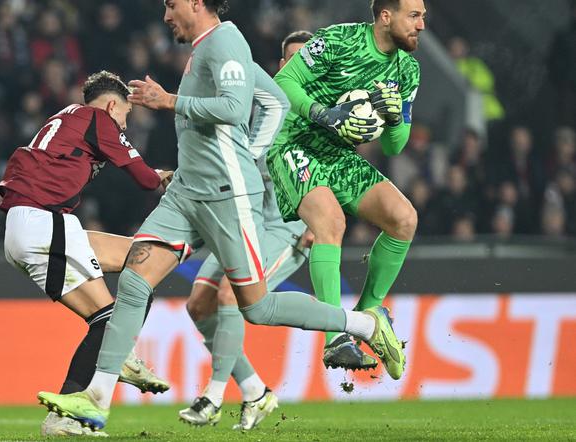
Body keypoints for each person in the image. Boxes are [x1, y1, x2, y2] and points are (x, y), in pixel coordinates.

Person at [38, 0, 406, 432]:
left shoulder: (226, 41)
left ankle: (364, 323)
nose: (165, 15)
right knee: (137, 279)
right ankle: (96, 400)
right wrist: (253, 151)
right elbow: (276, 101)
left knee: (257, 306)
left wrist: (177, 106)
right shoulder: (205, 47)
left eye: (171, 5)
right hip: (186, 193)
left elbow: (235, 107)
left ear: (196, 3)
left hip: (226, 197)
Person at [0, 71, 173, 437]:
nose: (123, 126)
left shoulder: (68, 118)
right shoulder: (97, 118)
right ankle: (66, 413)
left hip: (39, 223)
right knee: (107, 319)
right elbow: (142, 177)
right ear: (112, 105)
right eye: (124, 117)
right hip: (42, 222)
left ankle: (122, 350)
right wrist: (165, 177)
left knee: (142, 257)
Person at [266, 0, 423, 370]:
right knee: (331, 223)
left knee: (404, 219)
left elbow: (394, 145)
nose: (421, 26)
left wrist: (392, 114)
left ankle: (368, 312)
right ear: (387, 16)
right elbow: (283, 81)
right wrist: (323, 113)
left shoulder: (408, 70)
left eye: (423, 17)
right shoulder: (338, 40)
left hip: (338, 155)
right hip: (295, 142)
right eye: (414, 16)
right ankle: (335, 336)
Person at [178, 30, 314, 431]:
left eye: (304, 60)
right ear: (280, 64)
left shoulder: (320, 116)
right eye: (289, 59)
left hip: (285, 228)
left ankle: (213, 396)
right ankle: (254, 389)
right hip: (241, 216)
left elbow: (337, 179)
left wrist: (319, 224)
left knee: (230, 296)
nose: (294, 66)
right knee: (199, 306)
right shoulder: (260, 100)